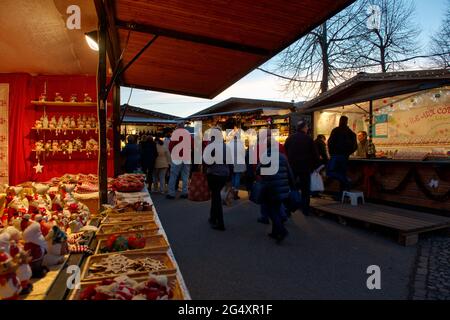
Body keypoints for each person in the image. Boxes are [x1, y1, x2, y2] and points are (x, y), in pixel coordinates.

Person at [257, 135, 294, 243]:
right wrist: (293, 186)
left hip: (270, 187)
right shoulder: (283, 156)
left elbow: (258, 170)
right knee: (277, 208)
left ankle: (282, 231)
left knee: (271, 210)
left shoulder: (265, 156)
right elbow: (289, 171)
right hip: (283, 187)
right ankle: (275, 232)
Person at [284, 121, 319, 216]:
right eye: (307, 127)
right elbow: (315, 154)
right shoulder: (308, 139)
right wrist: (314, 166)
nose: (307, 129)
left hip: (292, 167)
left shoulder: (290, 138)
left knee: (291, 188)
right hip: (305, 168)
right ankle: (305, 210)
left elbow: (285, 150)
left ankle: (288, 209)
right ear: (303, 128)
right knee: (305, 189)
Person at [327, 116, 358, 195]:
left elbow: (330, 143)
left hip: (335, 155)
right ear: (347, 122)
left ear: (340, 121)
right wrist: (348, 153)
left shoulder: (335, 130)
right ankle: (343, 193)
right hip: (344, 157)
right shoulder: (351, 133)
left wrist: (331, 153)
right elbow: (355, 146)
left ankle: (346, 180)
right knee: (342, 173)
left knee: (330, 172)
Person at [206, 131, 230, 231]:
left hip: (214, 173)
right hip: (224, 173)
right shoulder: (226, 146)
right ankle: (212, 217)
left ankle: (220, 223)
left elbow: (207, 161)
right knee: (215, 196)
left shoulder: (211, 146)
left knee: (216, 198)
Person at [166, 123, 193, 199]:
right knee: (185, 175)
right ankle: (185, 192)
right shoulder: (188, 134)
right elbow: (193, 145)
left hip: (177, 157)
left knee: (173, 175)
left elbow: (170, 146)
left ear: (177, 126)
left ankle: (171, 193)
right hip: (186, 157)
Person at [228, 133, 246, 200]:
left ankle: (232, 191)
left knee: (233, 177)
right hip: (239, 162)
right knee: (237, 177)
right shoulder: (240, 144)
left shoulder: (229, 144)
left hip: (231, 162)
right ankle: (236, 193)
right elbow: (244, 153)